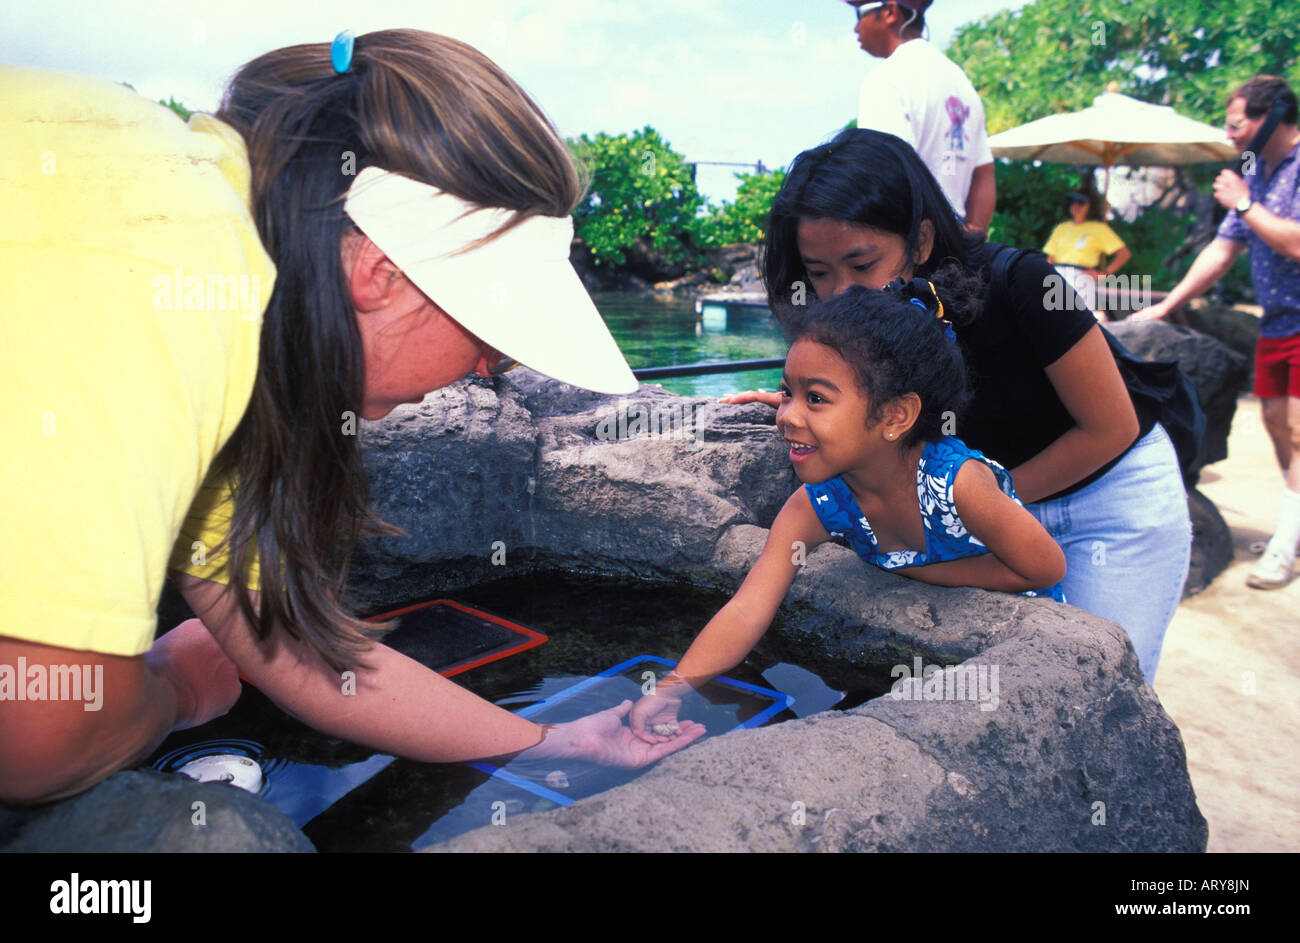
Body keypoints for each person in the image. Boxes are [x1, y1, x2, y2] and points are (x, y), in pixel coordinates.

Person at [0, 31, 705, 805]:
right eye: (492, 342)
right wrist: (174, 689)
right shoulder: (180, 263)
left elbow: (299, 651)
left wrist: (553, 740)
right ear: (380, 272)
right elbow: (40, 737)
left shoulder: (216, 270)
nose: (487, 370)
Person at [718, 128, 1191, 686]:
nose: (845, 292)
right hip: (991, 504)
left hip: (1111, 499)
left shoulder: (1027, 283)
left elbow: (1111, 427)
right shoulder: (862, 329)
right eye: (820, 273)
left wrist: (975, 501)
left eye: (863, 263)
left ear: (920, 241)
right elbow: (890, 407)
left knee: (1103, 683)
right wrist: (811, 404)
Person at [629, 280, 1066, 739]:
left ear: (896, 415)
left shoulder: (956, 483)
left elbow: (1044, 567)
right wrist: (672, 688)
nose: (788, 416)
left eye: (815, 398)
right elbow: (748, 608)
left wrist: (918, 572)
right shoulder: (817, 505)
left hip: (1009, 669)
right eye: (786, 393)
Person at [1135, 75, 1300, 591]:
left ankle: (1284, 545)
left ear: (1270, 116)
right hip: (1277, 320)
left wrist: (1246, 203)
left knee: (1296, 427)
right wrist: (1167, 305)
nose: (1229, 135)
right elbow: (1221, 251)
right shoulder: (1262, 171)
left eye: (1236, 124)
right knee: (1276, 422)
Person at [847, 0, 996, 234]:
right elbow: (984, 172)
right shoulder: (960, 81)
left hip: (912, 246)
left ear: (890, 12)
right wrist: (971, 239)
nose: (856, 28)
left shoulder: (887, 78)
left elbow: (883, 175)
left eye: (859, 14)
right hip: (957, 248)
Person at [1043, 191, 1131, 316]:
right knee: (1050, 317)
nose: (1076, 206)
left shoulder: (1099, 229)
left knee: (1080, 319)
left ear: (1090, 206)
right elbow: (1050, 258)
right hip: (1057, 274)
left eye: (1081, 202)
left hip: (1081, 276)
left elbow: (1124, 254)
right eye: (1073, 202)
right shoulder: (1061, 228)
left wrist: (1104, 274)